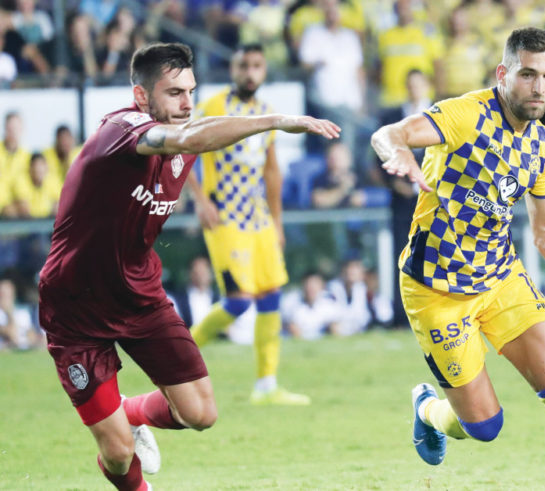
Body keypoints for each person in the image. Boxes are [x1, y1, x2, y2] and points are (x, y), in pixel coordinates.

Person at [38, 42, 339, 491]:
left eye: (191, 91)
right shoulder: (121, 129)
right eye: (175, 92)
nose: (187, 103)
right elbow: (187, 136)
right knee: (118, 455)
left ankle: (131, 413)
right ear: (142, 96)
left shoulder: (183, 132)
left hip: (138, 294)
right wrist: (276, 121)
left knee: (201, 414)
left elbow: (200, 128)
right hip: (75, 305)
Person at [370, 27, 545, 490]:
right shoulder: (465, 114)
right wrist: (398, 151)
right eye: (527, 75)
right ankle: (427, 409)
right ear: (503, 74)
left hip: (501, 280)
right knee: (483, 426)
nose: (539, 87)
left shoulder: (542, 145)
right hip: (437, 290)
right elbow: (389, 133)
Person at [187, 43, 312, 406]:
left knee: (271, 295)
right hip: (225, 216)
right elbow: (184, 147)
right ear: (233, 69)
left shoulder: (267, 114)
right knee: (238, 301)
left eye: (257, 66)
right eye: (244, 65)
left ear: (264, 71)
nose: (250, 72)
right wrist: (199, 198)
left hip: (259, 219)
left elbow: (272, 170)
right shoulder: (213, 106)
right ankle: (175, 361)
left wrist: (278, 221)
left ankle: (266, 385)